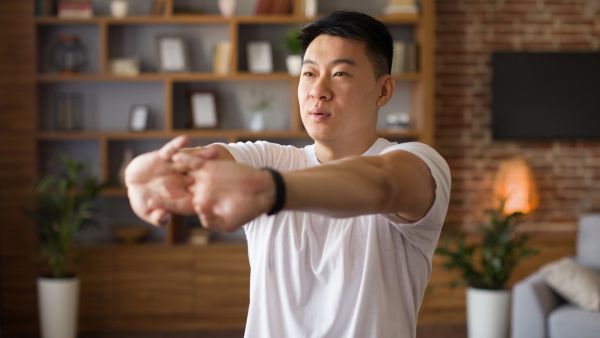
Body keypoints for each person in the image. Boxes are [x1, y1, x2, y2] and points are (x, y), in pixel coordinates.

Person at [125, 11, 450, 338]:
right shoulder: (267, 159)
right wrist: (151, 173)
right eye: (309, 73)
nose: (318, 90)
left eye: (339, 74)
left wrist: (269, 190)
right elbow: (190, 165)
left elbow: (383, 185)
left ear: (383, 91)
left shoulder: (416, 161)